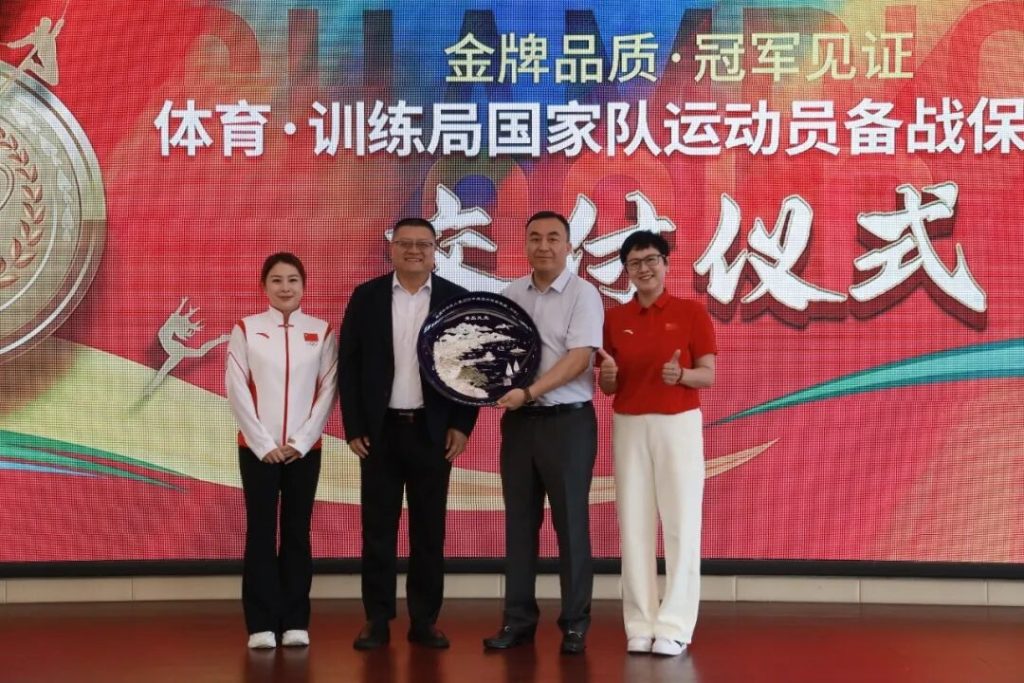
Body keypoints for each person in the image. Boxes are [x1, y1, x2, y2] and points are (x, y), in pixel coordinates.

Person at [338, 217, 479, 650]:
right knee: (377, 531)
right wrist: (354, 427)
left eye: (423, 244)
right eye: (405, 243)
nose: (414, 250)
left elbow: (471, 367)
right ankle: (377, 618)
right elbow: (349, 365)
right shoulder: (366, 297)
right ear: (392, 248)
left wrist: (461, 425)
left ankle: (424, 620)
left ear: (435, 250)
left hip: (431, 433)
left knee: (429, 533)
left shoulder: (456, 299)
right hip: (379, 434)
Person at [482, 211, 604, 655]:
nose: (543, 246)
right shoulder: (510, 294)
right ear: (525, 244)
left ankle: (574, 623)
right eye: (534, 237)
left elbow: (579, 358)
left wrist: (529, 392)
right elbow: (496, 355)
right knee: (519, 524)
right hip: (519, 425)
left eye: (553, 238)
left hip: (568, 423)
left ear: (569, 246)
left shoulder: (584, 294)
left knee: (570, 524)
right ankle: (517, 621)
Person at [597, 230, 717, 657]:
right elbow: (608, 383)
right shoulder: (615, 318)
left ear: (666, 263)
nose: (643, 269)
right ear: (626, 271)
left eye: (651, 260)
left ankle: (675, 624)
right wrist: (607, 378)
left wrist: (681, 376)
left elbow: (707, 374)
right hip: (629, 424)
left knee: (682, 524)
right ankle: (640, 621)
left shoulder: (690, 313)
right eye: (634, 263)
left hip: (678, 424)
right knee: (633, 525)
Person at [225, 252, 338, 650]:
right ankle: (260, 624)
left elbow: (328, 389)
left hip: (304, 451)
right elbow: (236, 387)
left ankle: (294, 621)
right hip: (257, 451)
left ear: (304, 286)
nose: (285, 287)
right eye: (276, 280)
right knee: (260, 532)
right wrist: (263, 444)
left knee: (296, 533)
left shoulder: (321, 331)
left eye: (292, 280)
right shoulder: (247, 329)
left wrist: (302, 442)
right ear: (264, 286)